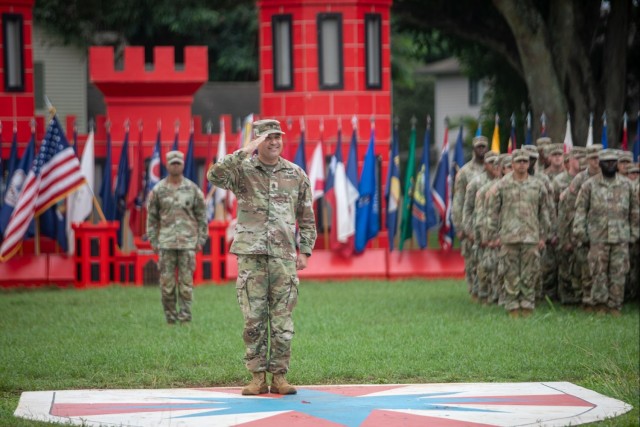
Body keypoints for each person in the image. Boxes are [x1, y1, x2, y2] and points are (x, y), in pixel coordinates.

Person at [207, 119, 317, 396]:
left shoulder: (295, 174)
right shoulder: (242, 170)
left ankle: (279, 376)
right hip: (251, 256)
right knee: (253, 318)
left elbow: (306, 217)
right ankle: (257, 377)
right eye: (268, 138)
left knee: (282, 320)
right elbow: (214, 176)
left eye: (278, 137)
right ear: (257, 141)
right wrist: (244, 151)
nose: (275, 142)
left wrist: (304, 250)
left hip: (282, 257)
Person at [573, 149, 639, 315]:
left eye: (612, 162)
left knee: (618, 273)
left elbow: (635, 212)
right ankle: (600, 306)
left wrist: (634, 234)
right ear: (600, 164)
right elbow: (581, 210)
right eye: (606, 162)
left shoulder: (627, 185)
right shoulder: (589, 185)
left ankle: (615, 306)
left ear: (617, 164)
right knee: (598, 272)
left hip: (621, 237)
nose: (610, 165)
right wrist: (581, 233)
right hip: (597, 237)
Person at [146, 150, 208, 325]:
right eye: (172, 163)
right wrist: (154, 241)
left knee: (186, 284)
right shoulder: (158, 190)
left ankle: (185, 318)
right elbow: (151, 219)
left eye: (178, 163)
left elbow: (202, 217)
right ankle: (171, 318)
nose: (175, 165)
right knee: (167, 285)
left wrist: (200, 239)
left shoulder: (193, 189)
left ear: (182, 165)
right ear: (167, 165)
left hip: (188, 244)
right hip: (166, 244)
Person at [487, 149, 551, 318]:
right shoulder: (502, 184)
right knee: (510, 272)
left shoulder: (537, 185)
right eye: (519, 161)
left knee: (530, 272)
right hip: (509, 236)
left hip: (531, 236)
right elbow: (493, 211)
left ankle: (528, 304)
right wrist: (493, 234)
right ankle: (512, 305)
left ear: (529, 164)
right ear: (512, 164)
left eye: (525, 161)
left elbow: (544, 212)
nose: (522, 164)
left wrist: (543, 236)